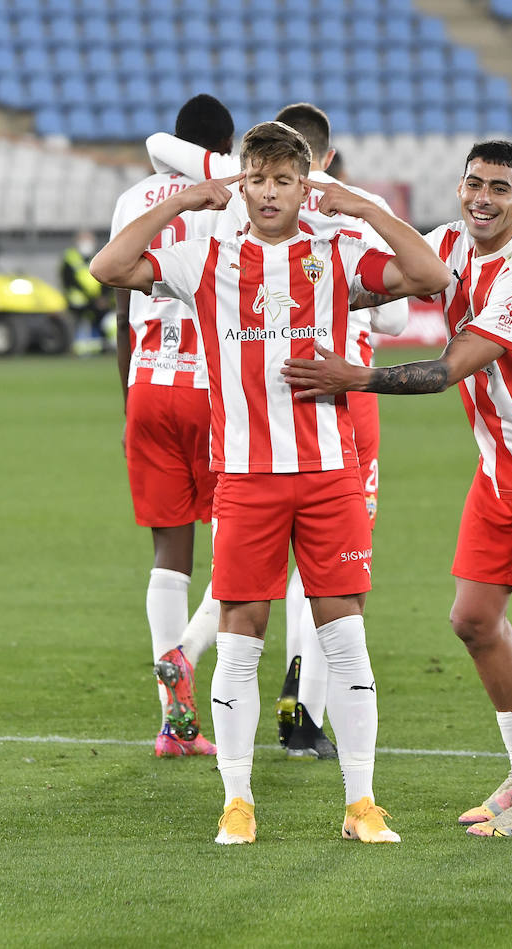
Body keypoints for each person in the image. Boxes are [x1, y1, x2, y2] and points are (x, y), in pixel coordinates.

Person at [91, 120, 450, 844]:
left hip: (326, 474)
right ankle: (236, 801)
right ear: (242, 181)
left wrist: (362, 207)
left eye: (285, 179)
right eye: (257, 178)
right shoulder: (205, 253)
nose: (269, 192)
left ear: (303, 182)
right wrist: (189, 199)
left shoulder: (334, 248)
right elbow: (109, 266)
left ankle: (361, 804)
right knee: (242, 639)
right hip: (248, 477)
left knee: (345, 638)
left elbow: (431, 276)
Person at [283, 140, 512, 837]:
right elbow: (380, 281)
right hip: (499, 466)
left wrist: (359, 376)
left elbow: (446, 369)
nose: (482, 199)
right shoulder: (452, 244)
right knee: (472, 620)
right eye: (472, 184)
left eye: (498, 188)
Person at [147, 101, 410, 761]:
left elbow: (163, 148)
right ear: (325, 160)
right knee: (325, 578)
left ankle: (192, 645)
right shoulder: (349, 214)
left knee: (250, 569)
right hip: (340, 405)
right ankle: (302, 710)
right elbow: (402, 320)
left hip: (248, 402)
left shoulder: (238, 212)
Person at [108, 93, 238, 758]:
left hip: (147, 384)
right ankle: (186, 654)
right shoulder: (232, 198)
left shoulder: (134, 199)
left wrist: (125, 398)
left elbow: (120, 297)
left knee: (169, 550)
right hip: (212, 388)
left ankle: (173, 723)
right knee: (246, 547)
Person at [61, 230, 113, 356]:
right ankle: (76, 348)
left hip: (98, 301)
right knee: (78, 324)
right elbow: (69, 281)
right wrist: (93, 298)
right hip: (79, 302)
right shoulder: (70, 257)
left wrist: (103, 297)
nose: (86, 243)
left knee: (105, 321)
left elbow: (108, 277)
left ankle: (103, 346)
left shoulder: (99, 256)